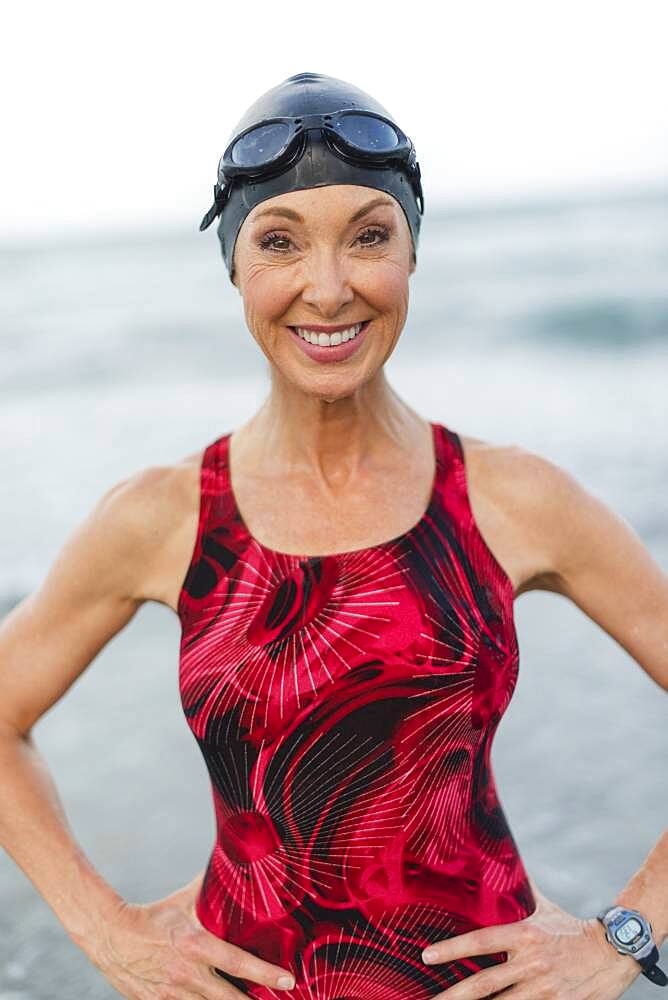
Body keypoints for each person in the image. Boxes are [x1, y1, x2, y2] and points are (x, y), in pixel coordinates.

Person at [0, 71, 666, 1000]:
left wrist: (623, 935)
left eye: (369, 236)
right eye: (279, 243)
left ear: (412, 252)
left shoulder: (512, 498)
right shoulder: (165, 517)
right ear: (234, 264)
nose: (328, 287)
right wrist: (107, 932)